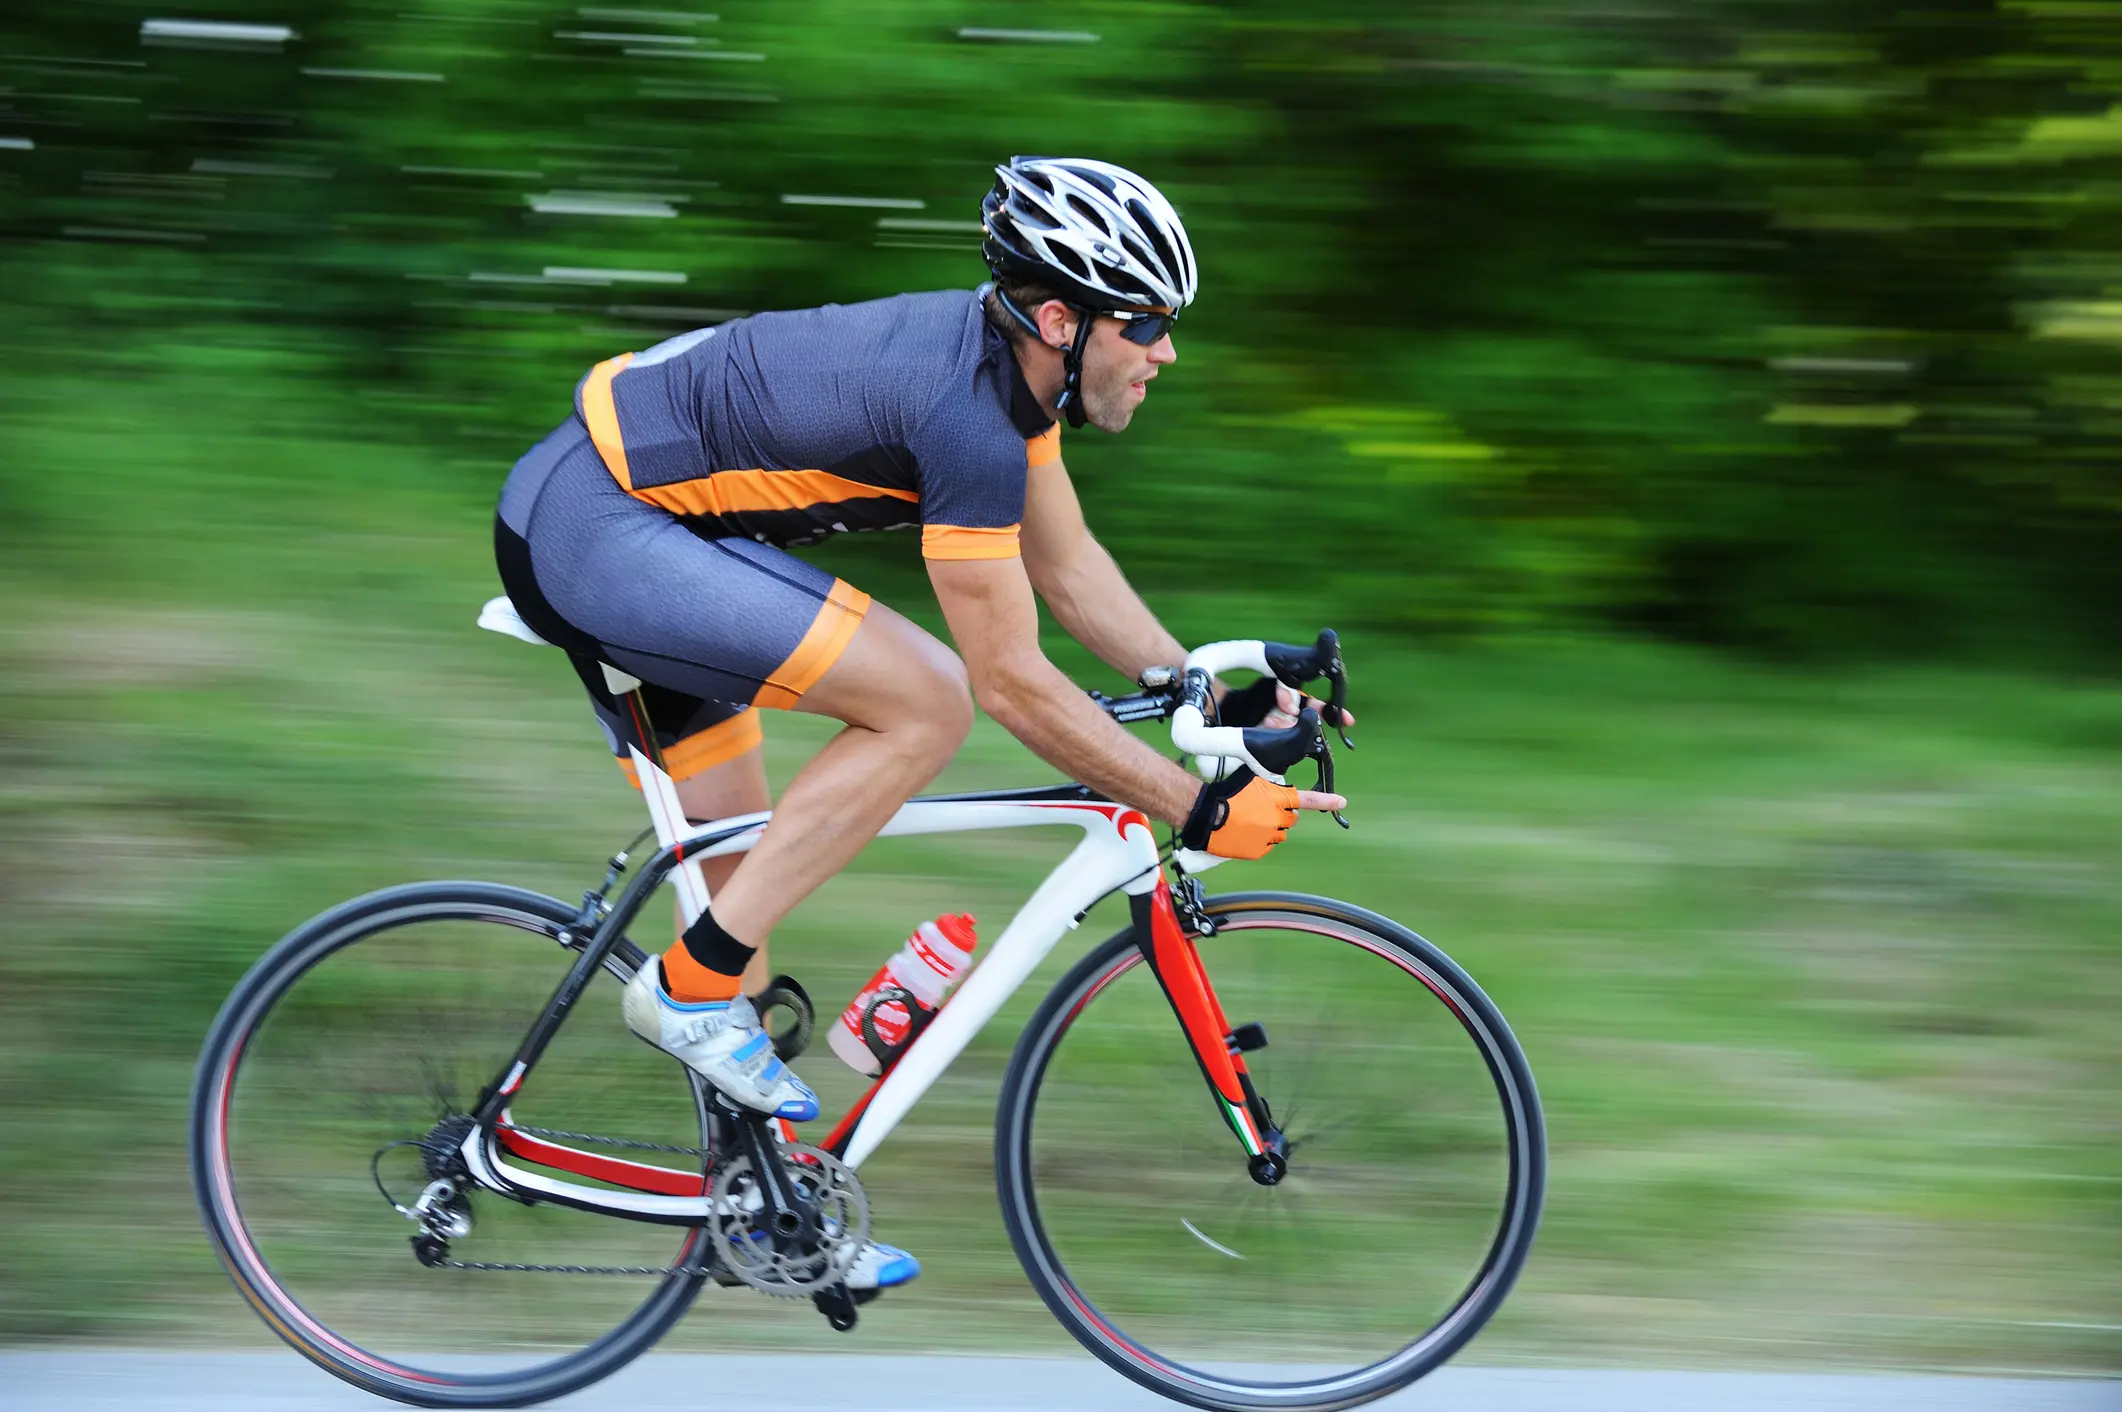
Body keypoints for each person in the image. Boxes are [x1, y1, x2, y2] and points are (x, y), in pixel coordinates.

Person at [492, 156, 1345, 1291]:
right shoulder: (968, 418)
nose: (1165, 349)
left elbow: (1069, 566)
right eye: (1145, 323)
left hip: (646, 526)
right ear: (1060, 317)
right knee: (928, 697)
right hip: (596, 527)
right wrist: (1193, 802)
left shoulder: (1011, 379)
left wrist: (1205, 690)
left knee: (749, 887)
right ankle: (687, 989)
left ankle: (772, 1207)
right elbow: (1011, 684)